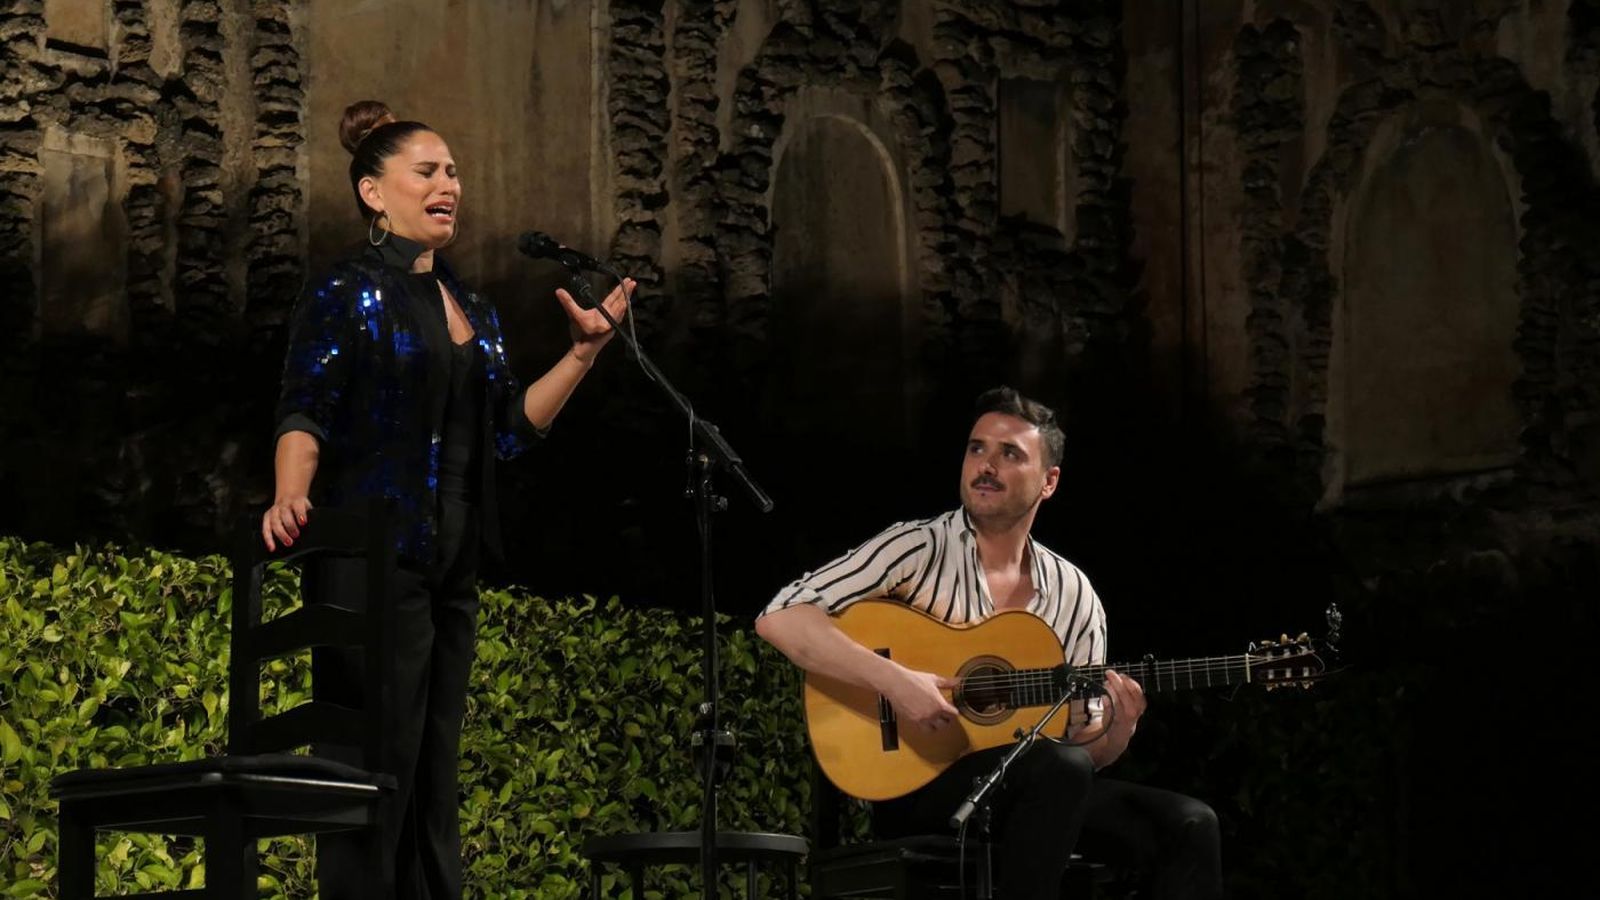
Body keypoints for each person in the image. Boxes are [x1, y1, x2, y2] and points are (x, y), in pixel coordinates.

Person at [261, 100, 631, 899]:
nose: (448, 185)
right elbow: (305, 405)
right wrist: (291, 492)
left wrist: (583, 354)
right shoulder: (346, 289)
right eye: (426, 171)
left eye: (454, 171)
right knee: (376, 759)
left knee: (434, 765)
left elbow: (509, 429)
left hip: (452, 560)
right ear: (373, 192)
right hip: (370, 555)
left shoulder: (476, 309)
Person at [755, 387, 1222, 900]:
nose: (986, 465)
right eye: (977, 448)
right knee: (1057, 771)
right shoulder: (916, 548)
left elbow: (1081, 749)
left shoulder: (1075, 593)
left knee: (1189, 823)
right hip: (920, 781)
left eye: (1009, 454)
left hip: (1038, 791)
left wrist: (1117, 732)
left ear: (1049, 482)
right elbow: (781, 616)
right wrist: (896, 680)